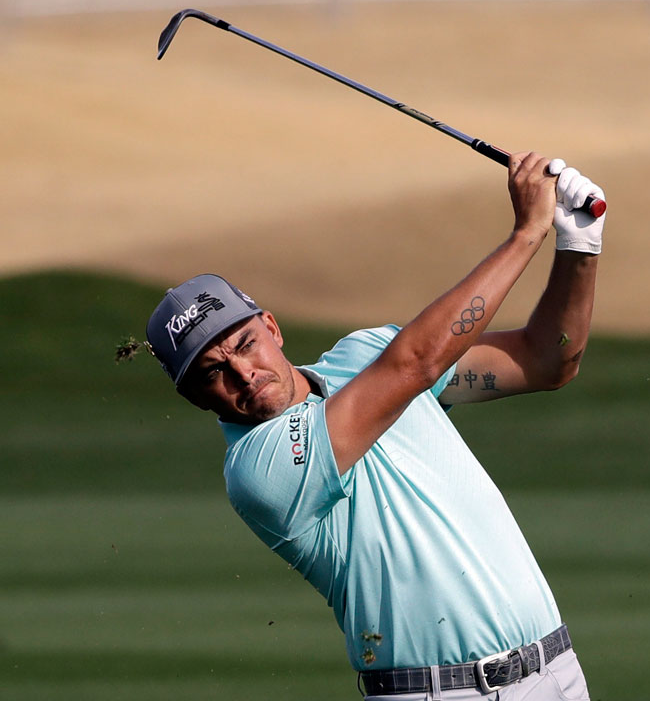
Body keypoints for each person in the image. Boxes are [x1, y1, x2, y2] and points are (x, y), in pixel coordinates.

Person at [144, 153, 604, 700]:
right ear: (194, 399)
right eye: (213, 372)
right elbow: (415, 364)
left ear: (272, 327)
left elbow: (548, 360)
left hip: (557, 672)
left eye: (245, 344)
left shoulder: (363, 354)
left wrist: (579, 247)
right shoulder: (258, 471)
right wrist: (527, 233)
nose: (243, 372)